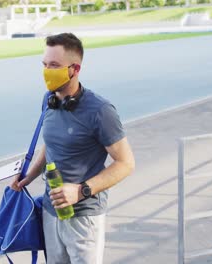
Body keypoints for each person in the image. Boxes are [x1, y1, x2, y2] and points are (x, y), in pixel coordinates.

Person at [11, 33, 135, 264]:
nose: (47, 71)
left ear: (74, 69)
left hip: (83, 216)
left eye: (54, 65)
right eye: (45, 65)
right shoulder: (49, 100)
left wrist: (81, 190)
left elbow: (126, 163)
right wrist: (29, 176)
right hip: (51, 210)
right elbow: (51, 144)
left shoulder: (100, 110)